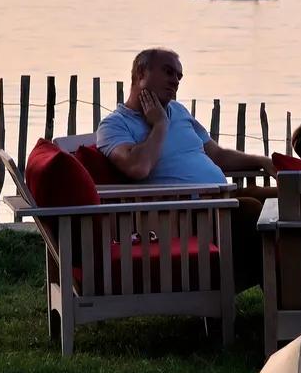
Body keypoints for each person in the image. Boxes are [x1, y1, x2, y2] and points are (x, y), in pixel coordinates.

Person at [96, 47, 270, 285]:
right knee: (253, 211)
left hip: (221, 199)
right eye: (168, 72)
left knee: (285, 199)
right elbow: (138, 168)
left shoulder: (178, 111)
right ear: (140, 73)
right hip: (184, 216)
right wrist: (159, 125)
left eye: (179, 76)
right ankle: (268, 298)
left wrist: (261, 161)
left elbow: (216, 154)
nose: (175, 81)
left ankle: (297, 290)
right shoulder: (115, 125)